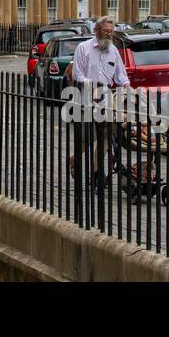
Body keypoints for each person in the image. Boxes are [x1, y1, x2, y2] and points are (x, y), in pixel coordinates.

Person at [70, 16, 129, 225]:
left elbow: (121, 76)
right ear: (97, 30)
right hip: (86, 100)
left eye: (111, 31)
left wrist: (126, 88)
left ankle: (96, 172)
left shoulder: (113, 51)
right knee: (87, 140)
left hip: (107, 102)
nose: (109, 34)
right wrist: (92, 85)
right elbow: (77, 75)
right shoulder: (84, 49)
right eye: (106, 31)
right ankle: (74, 159)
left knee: (105, 138)